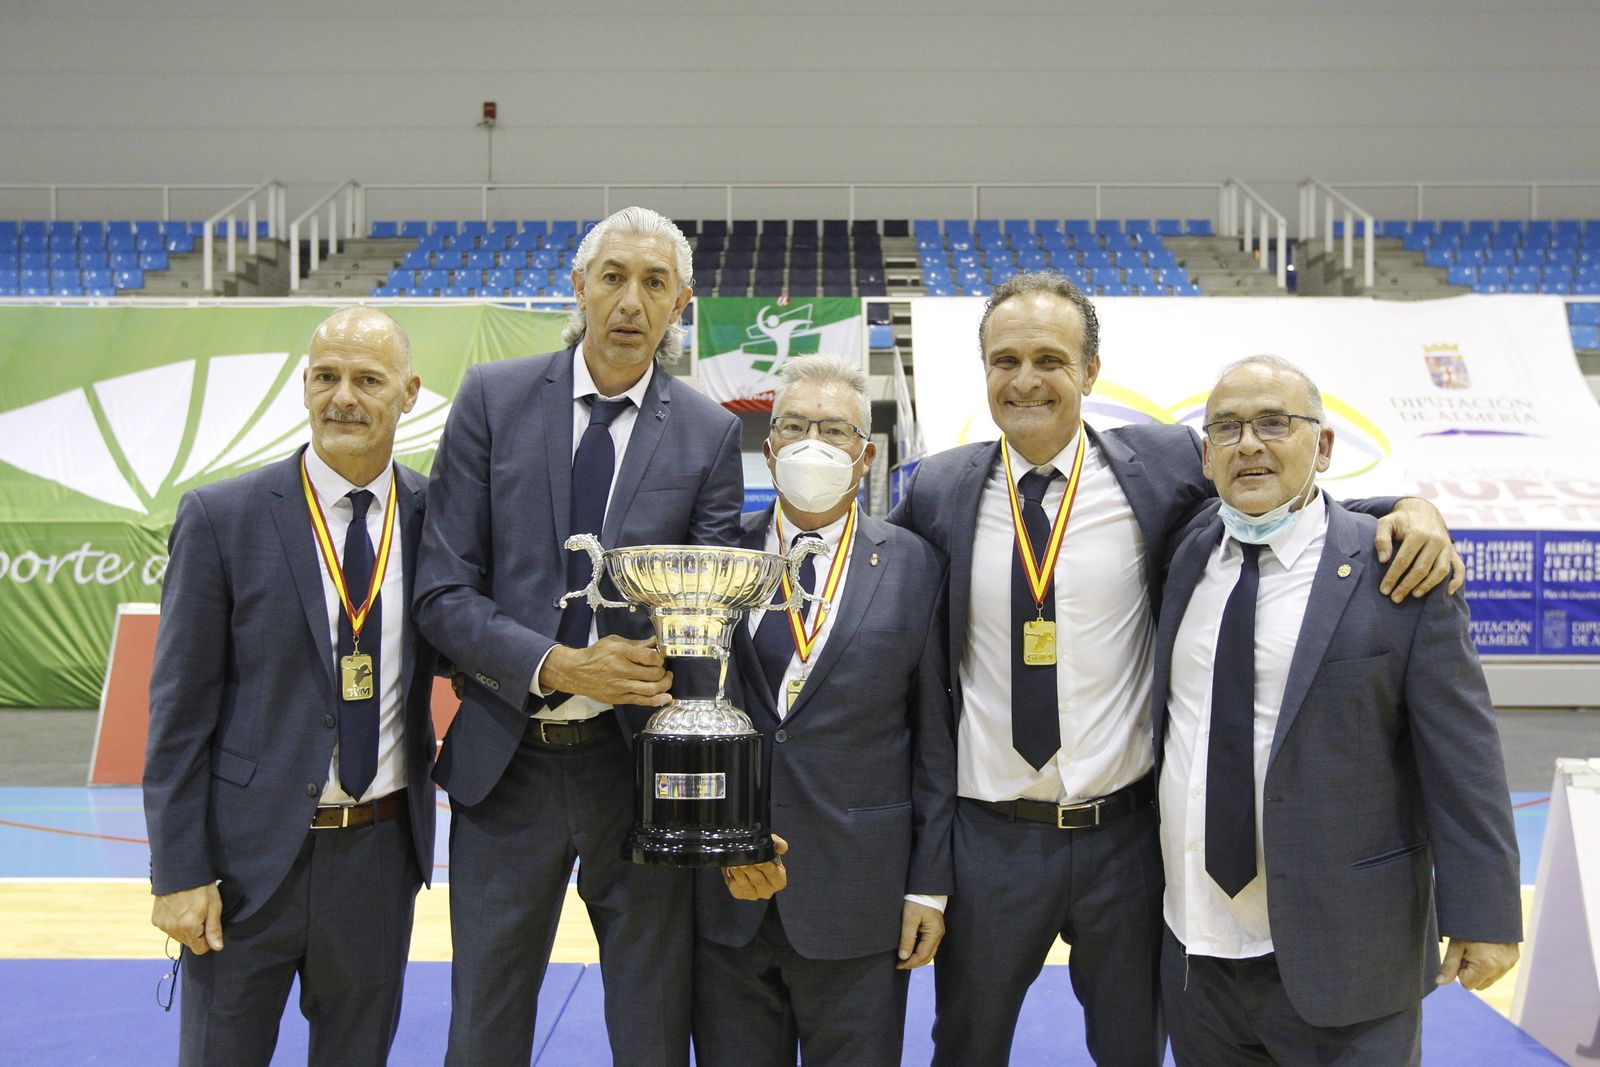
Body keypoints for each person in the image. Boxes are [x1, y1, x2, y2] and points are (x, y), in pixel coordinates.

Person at [888, 272, 1464, 1066]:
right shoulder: (937, 488)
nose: (1026, 379)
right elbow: (875, 588)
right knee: (965, 1044)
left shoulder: (1158, 464)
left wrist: (1406, 507)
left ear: (1091, 371)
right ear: (982, 369)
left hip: (1125, 840)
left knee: (1134, 1047)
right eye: (1006, 359)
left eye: (1051, 359)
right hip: (990, 838)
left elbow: (1270, 485)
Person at [414, 206, 744, 1067]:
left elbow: (706, 627)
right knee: (484, 1025)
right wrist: (557, 663)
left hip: (634, 771)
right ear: (579, 287)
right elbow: (442, 591)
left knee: (651, 1022)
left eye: (654, 283)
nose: (631, 301)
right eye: (613, 277)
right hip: (504, 760)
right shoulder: (491, 400)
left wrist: (648, 670)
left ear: (681, 305)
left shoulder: (710, 436)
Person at [1154, 355, 1521, 1064]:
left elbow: (1463, 756)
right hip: (1196, 952)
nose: (1249, 444)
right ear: (1206, 454)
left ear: (1322, 446)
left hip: (1350, 955)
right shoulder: (1185, 551)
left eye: (1273, 423)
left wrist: (1486, 914)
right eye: (1226, 428)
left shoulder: (1402, 570)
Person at [143, 306, 438, 1065]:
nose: (343, 396)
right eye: (325, 376)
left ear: (407, 393)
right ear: (304, 385)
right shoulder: (222, 517)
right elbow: (177, 712)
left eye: (367, 379)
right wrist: (179, 872)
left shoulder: (439, 517)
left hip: (377, 855)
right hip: (244, 866)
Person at [692, 354, 956, 1067]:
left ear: (865, 454)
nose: (813, 442)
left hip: (860, 899)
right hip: (727, 893)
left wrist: (928, 885)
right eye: (795, 426)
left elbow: (933, 739)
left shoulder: (915, 564)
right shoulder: (713, 555)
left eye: (834, 429)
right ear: (768, 446)